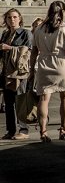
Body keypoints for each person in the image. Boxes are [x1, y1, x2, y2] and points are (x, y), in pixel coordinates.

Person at [31, 1, 65, 143]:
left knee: (44, 99)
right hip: (60, 63)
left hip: (43, 64)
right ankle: (64, 128)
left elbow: (34, 52)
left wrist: (31, 70)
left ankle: (43, 132)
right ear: (63, 11)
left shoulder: (39, 28)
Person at [1, 8, 32, 140]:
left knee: (20, 100)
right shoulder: (5, 34)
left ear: (20, 18)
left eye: (14, 17)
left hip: (20, 73)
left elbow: (28, 52)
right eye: (9, 17)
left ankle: (23, 129)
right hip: (6, 72)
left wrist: (10, 48)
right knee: (8, 103)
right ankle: (11, 130)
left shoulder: (26, 33)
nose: (12, 20)